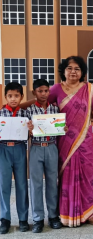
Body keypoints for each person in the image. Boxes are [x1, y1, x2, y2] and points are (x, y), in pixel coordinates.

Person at [46, 56, 93, 227]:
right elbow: (43, 106)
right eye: (69, 68)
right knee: (65, 177)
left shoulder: (88, 89)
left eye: (77, 69)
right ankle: (65, 214)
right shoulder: (56, 89)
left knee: (86, 175)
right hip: (63, 141)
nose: (73, 72)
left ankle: (88, 213)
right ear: (64, 71)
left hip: (84, 141)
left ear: (82, 72)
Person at [26, 79, 65, 233]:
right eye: (40, 91)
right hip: (35, 148)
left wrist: (63, 126)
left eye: (46, 91)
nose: (43, 94)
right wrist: (27, 129)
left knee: (52, 183)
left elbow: (60, 128)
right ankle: (38, 219)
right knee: (35, 184)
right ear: (34, 92)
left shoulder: (56, 110)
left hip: (51, 148)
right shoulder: (29, 111)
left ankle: (53, 216)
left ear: (49, 92)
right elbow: (24, 133)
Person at [0, 82, 30, 234]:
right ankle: (4, 219)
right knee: (3, 185)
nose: (13, 99)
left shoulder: (25, 115)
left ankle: (23, 219)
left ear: (21, 97)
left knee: (22, 185)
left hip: (19, 149)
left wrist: (31, 129)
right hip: (3, 149)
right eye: (10, 96)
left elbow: (32, 132)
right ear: (5, 97)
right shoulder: (0, 114)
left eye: (16, 96)